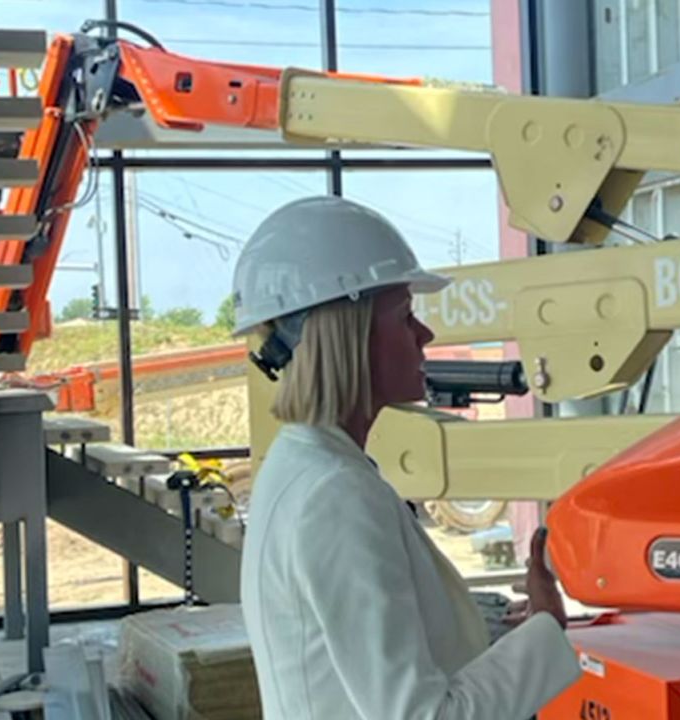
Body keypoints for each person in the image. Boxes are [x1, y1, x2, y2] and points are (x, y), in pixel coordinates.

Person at [234, 196, 581, 719]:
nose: (425, 336)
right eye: (405, 317)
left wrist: (486, 625)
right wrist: (547, 627)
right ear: (348, 338)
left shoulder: (305, 467)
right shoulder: (333, 495)